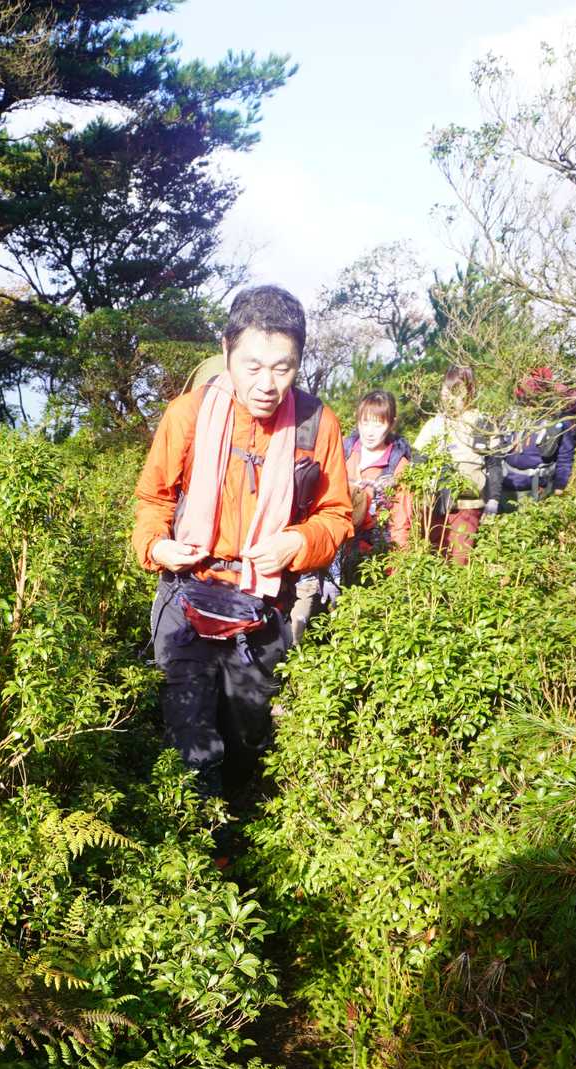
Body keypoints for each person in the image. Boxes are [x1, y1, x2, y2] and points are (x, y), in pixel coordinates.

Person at [131, 284, 352, 801]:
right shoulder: (187, 414)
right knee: (191, 740)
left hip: (262, 605)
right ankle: (197, 837)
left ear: (299, 361)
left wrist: (297, 542)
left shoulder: (317, 424)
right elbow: (152, 500)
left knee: (247, 736)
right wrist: (157, 546)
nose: (267, 384)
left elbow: (336, 515)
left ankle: (234, 813)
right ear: (226, 350)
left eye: (282, 368)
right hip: (187, 594)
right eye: (252, 366)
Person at [334, 389, 411, 588]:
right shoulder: (343, 450)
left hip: (375, 557)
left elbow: (400, 523)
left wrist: (397, 573)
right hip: (336, 551)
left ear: (391, 424)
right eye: (365, 422)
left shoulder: (398, 465)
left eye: (378, 424)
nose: (369, 432)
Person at [412, 366, 490, 564]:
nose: (449, 396)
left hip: (466, 507)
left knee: (459, 561)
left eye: (456, 391)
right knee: (432, 561)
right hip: (434, 507)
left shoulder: (481, 423)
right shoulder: (434, 425)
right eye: (446, 390)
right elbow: (416, 460)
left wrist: (493, 503)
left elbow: (495, 465)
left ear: (469, 391)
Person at [491, 367, 576, 509]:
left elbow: (565, 457)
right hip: (505, 487)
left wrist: (559, 488)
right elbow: (496, 451)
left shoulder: (558, 422)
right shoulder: (512, 416)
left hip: (536, 489)